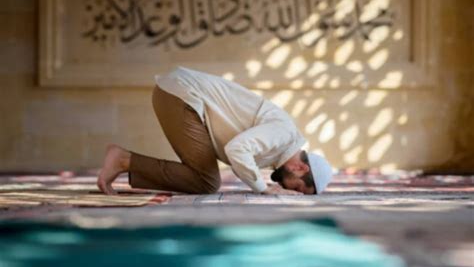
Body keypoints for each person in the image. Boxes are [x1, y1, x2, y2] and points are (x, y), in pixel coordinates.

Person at [97, 66, 333, 195]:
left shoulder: (279, 148)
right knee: (207, 182)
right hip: (182, 95)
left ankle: (126, 161)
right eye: (300, 188)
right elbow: (237, 149)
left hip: (179, 95)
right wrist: (263, 189)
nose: (292, 191)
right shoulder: (284, 134)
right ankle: (123, 160)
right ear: (300, 168)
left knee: (206, 181)